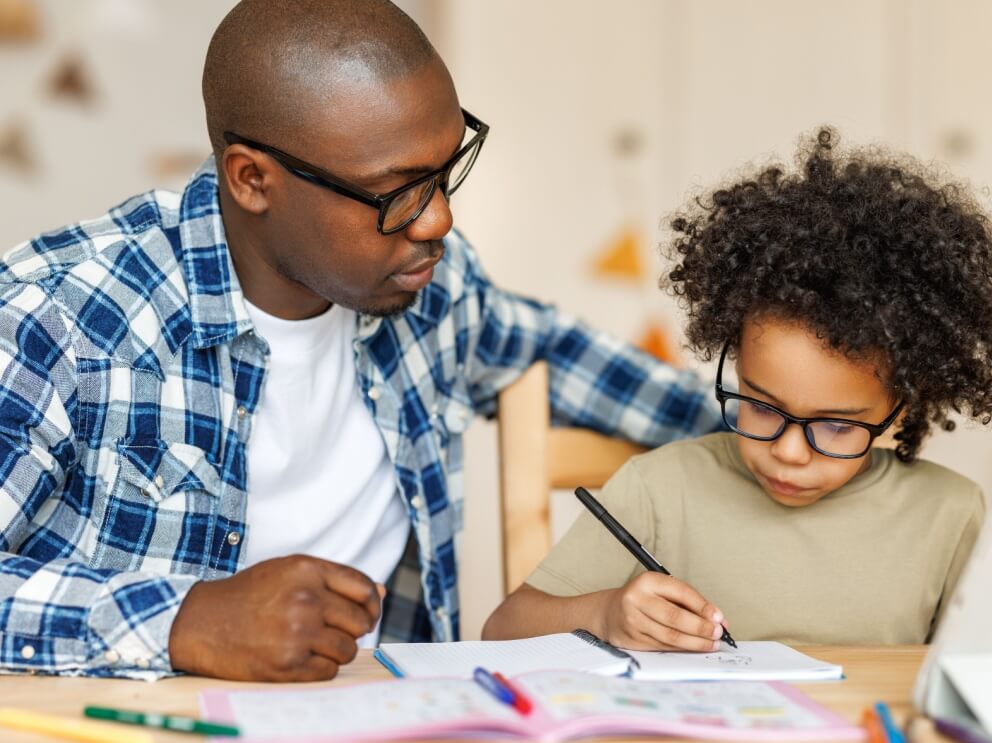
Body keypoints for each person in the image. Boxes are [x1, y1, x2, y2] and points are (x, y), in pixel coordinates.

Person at [0, 0, 720, 682]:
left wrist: (783, 424)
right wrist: (186, 622)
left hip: (386, 733)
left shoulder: (433, 288)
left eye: (443, 173)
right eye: (396, 191)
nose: (437, 220)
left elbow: (562, 359)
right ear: (253, 179)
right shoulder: (59, 317)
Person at [483, 129, 992, 651]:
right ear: (736, 361)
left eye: (837, 425)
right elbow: (503, 631)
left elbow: (982, 673)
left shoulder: (949, 513)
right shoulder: (658, 489)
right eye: (762, 406)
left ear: (903, 405)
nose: (788, 452)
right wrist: (606, 615)